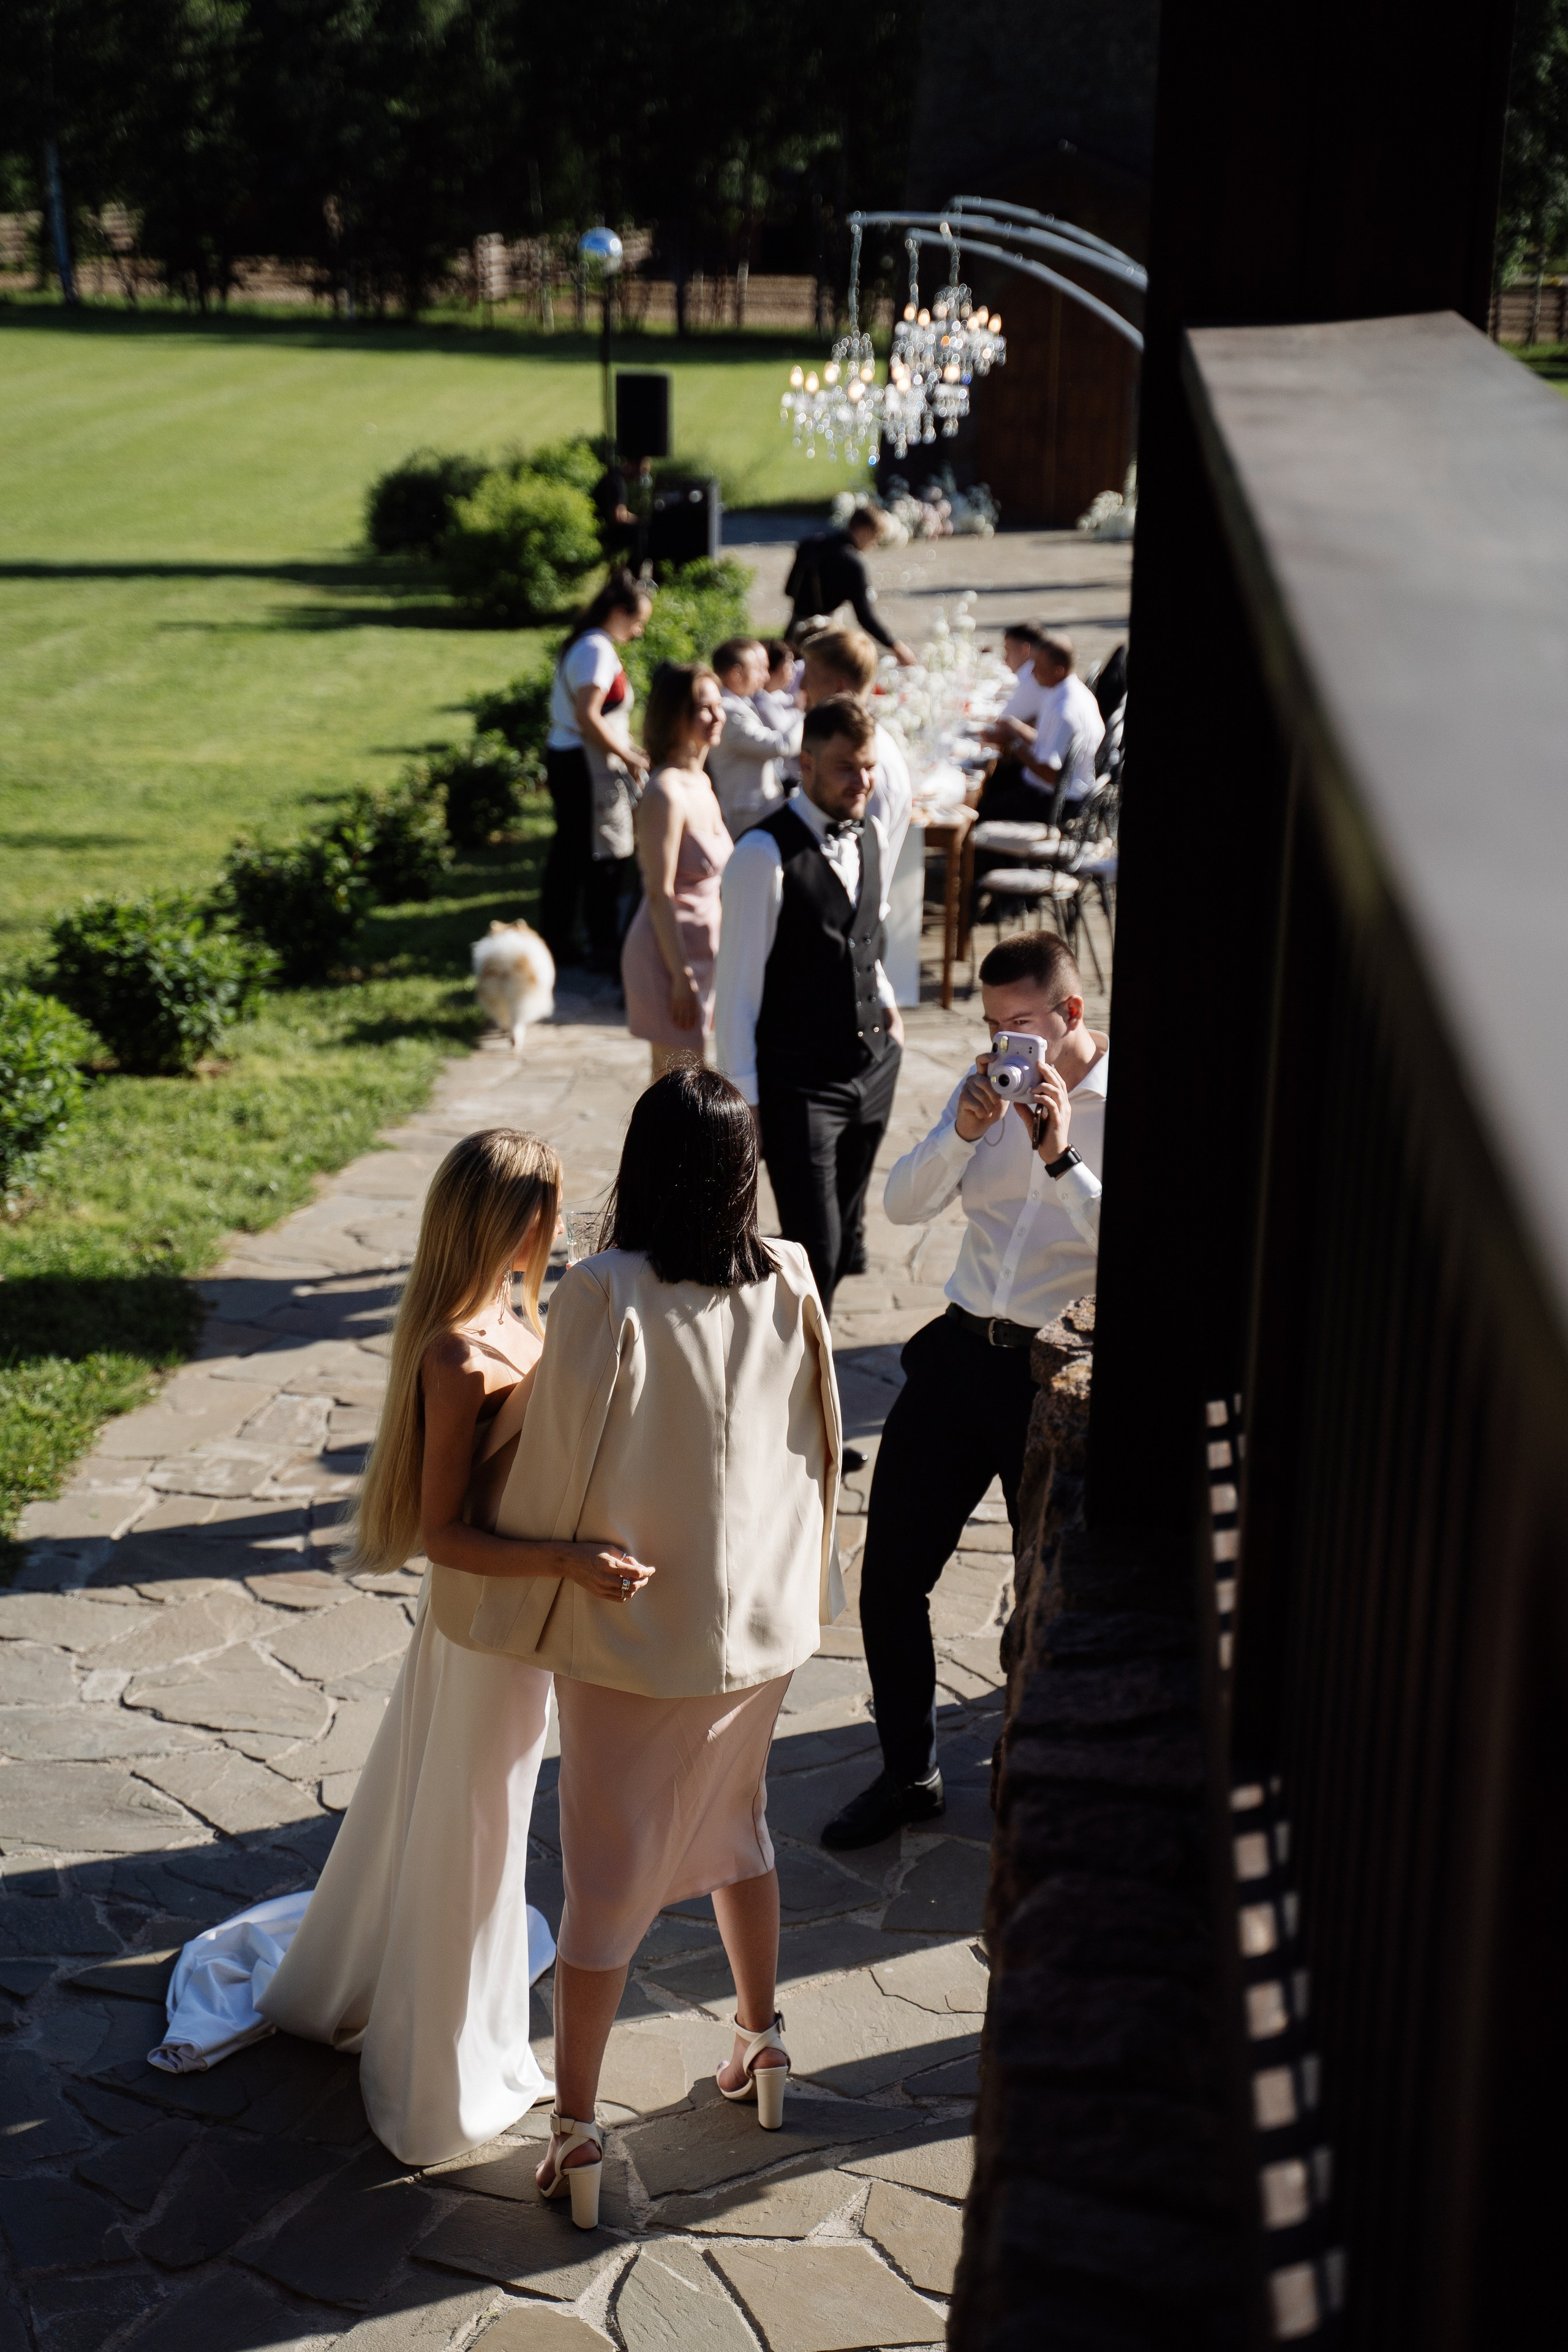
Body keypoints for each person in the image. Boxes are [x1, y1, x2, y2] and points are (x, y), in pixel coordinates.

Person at [464, 1069, 843, 2226]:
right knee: (741, 1828)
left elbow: (556, 1465)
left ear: (644, 1162)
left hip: (635, 1630)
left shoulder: (602, 1291)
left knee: (605, 1877)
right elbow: (822, 1440)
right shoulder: (790, 1272)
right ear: (744, 1168)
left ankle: (577, 2132)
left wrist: (501, 1565)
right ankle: (763, 2046)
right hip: (765, 1626)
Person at [260, 1129, 649, 2163]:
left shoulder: (524, 1319)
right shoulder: (456, 1353)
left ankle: (430, 1998)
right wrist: (572, 1560)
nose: (561, 1225)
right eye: (550, 1209)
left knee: (472, 1818)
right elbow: (444, 1538)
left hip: (517, 1632)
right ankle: (438, 2076)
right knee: (472, 1833)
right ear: (510, 1223)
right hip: (483, 1632)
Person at [821, 930, 1107, 1849]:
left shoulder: (1113, 1105)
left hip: (1051, 1381)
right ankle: (909, 1772)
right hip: (956, 1355)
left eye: (1017, 1025)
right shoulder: (983, 1089)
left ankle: (1039, 1774)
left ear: (1069, 1015)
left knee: (1043, 1594)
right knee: (891, 1573)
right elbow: (902, 1204)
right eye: (990, 1027)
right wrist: (963, 1130)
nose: (1000, 1048)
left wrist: (1062, 1160)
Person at [715, 695, 903, 1322]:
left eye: (869, 767)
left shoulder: (871, 832)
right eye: (848, 767)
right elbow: (735, 992)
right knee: (810, 1249)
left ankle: (803, 1369)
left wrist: (890, 1006)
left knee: (843, 1241)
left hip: (873, 1066)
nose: (863, 781)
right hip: (800, 1083)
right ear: (808, 762)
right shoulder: (761, 856)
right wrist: (748, 1107)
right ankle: (789, 1385)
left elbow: (865, 936)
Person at [620, 663, 733, 1080]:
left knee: (687, 1088)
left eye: (719, 706)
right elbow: (658, 891)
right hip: (669, 959)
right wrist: (681, 977)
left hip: (704, 952)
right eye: (704, 708)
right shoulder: (665, 792)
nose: (718, 716)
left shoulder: (700, 781)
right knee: (676, 1090)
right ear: (675, 716)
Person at [541, 572, 652, 974]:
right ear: (619, 613)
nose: (639, 632)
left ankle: (562, 940)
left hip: (573, 755)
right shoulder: (596, 650)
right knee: (599, 851)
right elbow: (589, 716)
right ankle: (597, 945)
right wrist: (629, 755)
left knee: (572, 852)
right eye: (638, 622)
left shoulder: (590, 643)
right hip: (583, 762)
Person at [797, 626, 914, 881]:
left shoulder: (868, 765)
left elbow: (862, 866)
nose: (803, 685)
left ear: (838, 686)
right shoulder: (863, 749)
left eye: (811, 675)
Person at [784, 506, 916, 666]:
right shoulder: (852, 563)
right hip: (823, 640)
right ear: (865, 530)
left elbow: (789, 590)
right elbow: (865, 616)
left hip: (793, 634)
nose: (874, 544)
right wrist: (895, 645)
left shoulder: (809, 545)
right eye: (875, 537)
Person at [706, 635, 801, 838]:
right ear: (737, 674)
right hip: (747, 812)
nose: (765, 677)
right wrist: (804, 715)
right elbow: (780, 746)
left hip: (756, 808)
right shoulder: (730, 712)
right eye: (758, 669)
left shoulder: (741, 704)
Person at [756, 639, 799, 731]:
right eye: (788, 664)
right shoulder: (760, 702)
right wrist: (800, 710)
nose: (793, 669)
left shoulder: (777, 695)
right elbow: (785, 740)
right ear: (770, 669)